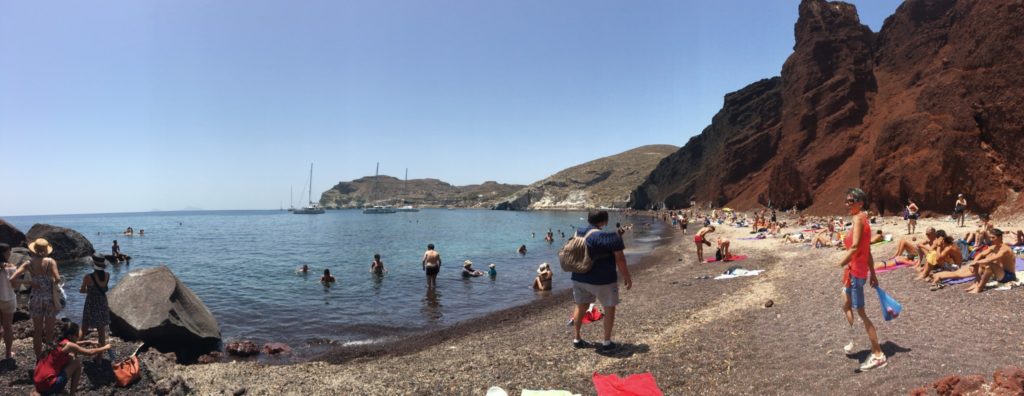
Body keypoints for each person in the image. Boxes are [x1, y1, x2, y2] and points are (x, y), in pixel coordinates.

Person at [838, 188, 886, 371]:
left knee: (862, 313)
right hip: (854, 272)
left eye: (851, 201)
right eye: (846, 201)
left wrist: (840, 262)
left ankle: (878, 354)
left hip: (856, 273)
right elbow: (868, 251)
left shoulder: (859, 219)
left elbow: (857, 246)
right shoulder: (862, 219)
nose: (847, 204)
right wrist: (873, 273)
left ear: (860, 202)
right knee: (846, 303)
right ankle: (853, 336)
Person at [570, 210, 632, 353]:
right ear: (605, 221)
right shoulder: (611, 237)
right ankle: (606, 342)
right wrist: (627, 276)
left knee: (580, 306)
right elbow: (620, 259)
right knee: (609, 308)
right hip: (603, 280)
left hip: (579, 277)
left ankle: (577, 339)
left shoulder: (578, 232)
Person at [10, 238, 62, 357]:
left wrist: (30, 282)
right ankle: (48, 358)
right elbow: (58, 279)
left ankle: (38, 358)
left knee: (37, 331)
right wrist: (52, 281)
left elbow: (12, 279)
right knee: (49, 331)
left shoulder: (29, 263)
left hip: (35, 299)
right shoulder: (50, 261)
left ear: (33, 249)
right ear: (46, 250)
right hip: (49, 299)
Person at [32, 321, 111, 396]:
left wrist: (89, 341)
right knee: (76, 362)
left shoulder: (57, 341)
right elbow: (89, 352)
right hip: (48, 386)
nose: (78, 337)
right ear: (70, 336)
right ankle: (71, 394)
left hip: (38, 384)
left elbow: (74, 344)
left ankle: (56, 389)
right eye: (77, 335)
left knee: (69, 357)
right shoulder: (69, 346)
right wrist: (105, 347)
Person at [966, 229, 1017, 294]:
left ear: (1000, 237)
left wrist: (975, 262)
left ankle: (980, 288)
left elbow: (989, 260)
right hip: (1000, 273)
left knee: (989, 265)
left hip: (1009, 276)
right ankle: (977, 283)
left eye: (993, 237)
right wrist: (973, 263)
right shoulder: (994, 247)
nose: (991, 239)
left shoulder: (1005, 249)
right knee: (979, 263)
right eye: (990, 237)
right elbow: (980, 254)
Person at [79, 254, 111, 347]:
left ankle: (74, 352)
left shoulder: (88, 277)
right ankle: (99, 357)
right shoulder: (107, 275)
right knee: (101, 331)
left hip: (91, 303)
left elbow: (82, 290)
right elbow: (103, 288)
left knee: (84, 327)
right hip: (102, 303)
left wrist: (85, 290)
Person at [1, 243, 22, 359]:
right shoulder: (11, 267)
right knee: (7, 327)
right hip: (8, 299)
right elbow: (14, 286)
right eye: (9, 251)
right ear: (4, 253)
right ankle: (8, 354)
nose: (10, 254)